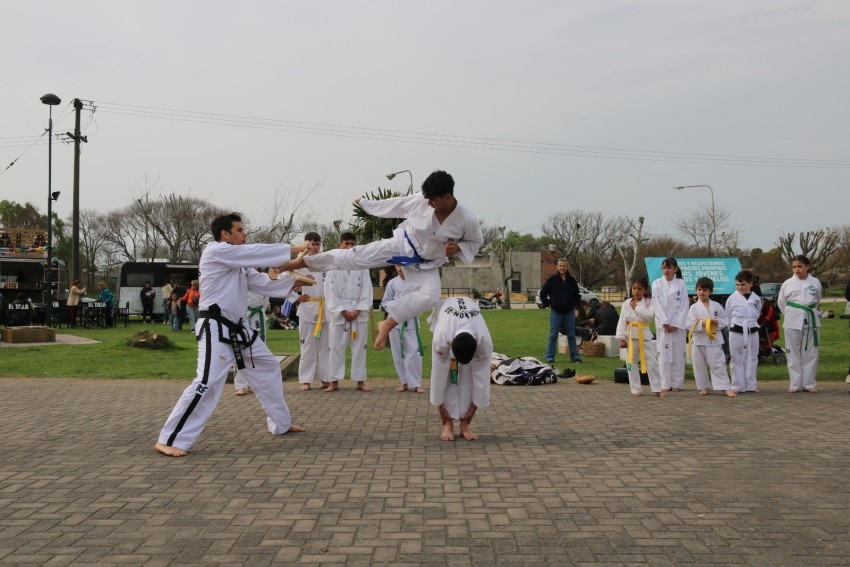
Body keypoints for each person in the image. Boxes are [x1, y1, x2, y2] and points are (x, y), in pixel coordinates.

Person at [154, 212, 308, 457]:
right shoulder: (216, 251)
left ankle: (281, 423)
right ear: (225, 234)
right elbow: (254, 252)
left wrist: (294, 283)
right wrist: (294, 248)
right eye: (239, 230)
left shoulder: (240, 264)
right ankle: (170, 438)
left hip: (239, 328)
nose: (244, 234)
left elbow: (262, 283)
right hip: (215, 327)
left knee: (268, 367)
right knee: (206, 382)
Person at [280, 170, 483, 351]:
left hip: (426, 263)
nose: (428, 203)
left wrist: (458, 248)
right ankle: (302, 263)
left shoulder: (467, 220)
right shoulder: (422, 200)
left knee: (431, 296)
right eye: (427, 199)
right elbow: (397, 204)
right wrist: (368, 205)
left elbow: (475, 243)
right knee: (355, 256)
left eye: (433, 200)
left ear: (447, 197)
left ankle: (388, 323)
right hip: (403, 245)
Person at [428, 296, 492, 441]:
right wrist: (440, 407)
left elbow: (482, 376)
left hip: (468, 310)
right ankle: (447, 424)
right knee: (445, 379)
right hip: (444, 311)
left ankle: (465, 425)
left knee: (468, 379)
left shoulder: (484, 341)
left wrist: (473, 409)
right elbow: (437, 374)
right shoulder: (441, 337)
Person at [324, 232, 373, 393]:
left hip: (358, 310)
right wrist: (342, 311)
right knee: (335, 347)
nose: (350, 246)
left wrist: (358, 310)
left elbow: (366, 290)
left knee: (360, 347)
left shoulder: (362, 266)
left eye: (353, 243)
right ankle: (334, 381)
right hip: (339, 311)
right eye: (346, 243)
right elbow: (330, 292)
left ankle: (360, 380)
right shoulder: (332, 267)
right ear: (340, 245)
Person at [777, 255, 822, 394]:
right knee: (792, 353)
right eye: (794, 267)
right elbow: (781, 302)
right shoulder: (787, 283)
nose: (797, 269)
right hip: (792, 320)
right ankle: (795, 383)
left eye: (800, 266)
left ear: (807, 267)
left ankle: (809, 383)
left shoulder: (815, 282)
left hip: (811, 320)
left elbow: (817, 300)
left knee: (811, 353)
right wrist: (791, 314)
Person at [294, 232, 330, 391]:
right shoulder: (299, 262)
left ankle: (325, 378)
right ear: (306, 244)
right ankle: (306, 380)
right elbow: (286, 281)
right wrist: (296, 298)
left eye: (317, 244)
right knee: (307, 346)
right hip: (308, 308)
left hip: (325, 308)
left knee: (325, 346)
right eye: (311, 244)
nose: (314, 247)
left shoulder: (326, 262)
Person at [687, 277, 735, 397]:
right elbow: (688, 324)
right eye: (699, 289)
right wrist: (702, 323)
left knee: (718, 364)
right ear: (696, 291)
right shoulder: (693, 307)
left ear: (710, 291)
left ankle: (725, 387)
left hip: (714, 339)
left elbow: (725, 320)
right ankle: (703, 387)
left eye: (705, 290)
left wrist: (717, 322)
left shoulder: (717, 306)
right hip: (698, 340)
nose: (702, 292)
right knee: (699, 365)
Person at [616, 277, 663, 397]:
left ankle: (657, 387)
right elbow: (622, 321)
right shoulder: (626, 303)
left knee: (652, 362)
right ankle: (635, 388)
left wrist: (636, 307)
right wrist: (621, 338)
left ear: (645, 290)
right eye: (634, 288)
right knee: (631, 363)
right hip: (630, 336)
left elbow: (649, 316)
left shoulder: (649, 302)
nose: (636, 291)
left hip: (644, 335)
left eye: (640, 289)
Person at [382, 265, 425, 393]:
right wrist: (396, 306)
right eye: (398, 265)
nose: (401, 268)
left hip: (410, 322)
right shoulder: (392, 283)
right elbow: (385, 302)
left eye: (403, 265)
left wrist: (409, 307)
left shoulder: (416, 282)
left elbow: (422, 301)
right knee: (397, 353)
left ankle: (416, 383)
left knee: (414, 353)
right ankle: (404, 382)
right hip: (394, 322)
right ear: (395, 267)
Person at [651, 257, 689, 392]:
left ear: (675, 269)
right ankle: (664, 383)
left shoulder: (681, 284)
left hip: (677, 323)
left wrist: (676, 323)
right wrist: (665, 323)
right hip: (663, 323)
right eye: (664, 267)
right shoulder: (657, 283)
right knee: (663, 353)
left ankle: (676, 383)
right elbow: (656, 304)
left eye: (669, 267)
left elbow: (684, 305)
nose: (666, 270)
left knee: (678, 353)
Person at [725, 270, 762, 394]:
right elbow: (728, 315)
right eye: (737, 285)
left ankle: (751, 384)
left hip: (752, 330)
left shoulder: (756, 299)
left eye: (743, 284)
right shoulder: (732, 299)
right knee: (736, 358)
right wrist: (732, 327)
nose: (740, 287)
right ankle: (737, 385)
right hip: (736, 330)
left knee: (752, 357)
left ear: (751, 284)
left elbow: (758, 313)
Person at [539, 258, 582, 365]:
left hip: (569, 312)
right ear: (557, 267)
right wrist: (548, 304)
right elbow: (543, 293)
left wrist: (575, 306)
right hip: (556, 312)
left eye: (564, 265)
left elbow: (577, 295)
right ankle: (549, 357)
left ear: (567, 267)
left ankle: (575, 357)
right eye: (560, 266)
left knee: (571, 335)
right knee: (553, 335)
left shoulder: (572, 280)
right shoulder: (552, 280)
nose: (562, 267)